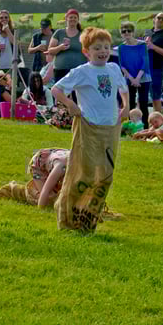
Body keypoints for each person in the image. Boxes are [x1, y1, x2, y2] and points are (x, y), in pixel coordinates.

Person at [51, 27, 128, 232]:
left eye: (106, 47)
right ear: (87, 51)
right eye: (97, 48)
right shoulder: (82, 72)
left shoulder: (113, 68)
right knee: (83, 175)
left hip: (111, 128)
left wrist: (126, 105)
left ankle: (87, 218)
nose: (103, 51)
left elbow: (123, 88)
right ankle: (67, 218)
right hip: (88, 127)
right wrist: (70, 104)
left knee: (105, 176)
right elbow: (56, 89)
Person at [118, 21, 151, 127]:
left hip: (143, 76)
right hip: (129, 77)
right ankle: (131, 125)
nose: (126, 33)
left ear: (133, 32)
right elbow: (122, 65)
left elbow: (145, 62)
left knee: (143, 103)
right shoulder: (121, 48)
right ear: (121, 33)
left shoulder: (142, 45)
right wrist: (132, 79)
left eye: (129, 30)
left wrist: (137, 79)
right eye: (124, 31)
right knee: (130, 103)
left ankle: (145, 126)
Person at [47, 9, 87, 82]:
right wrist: (60, 48)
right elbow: (50, 51)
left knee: (76, 93)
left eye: (75, 17)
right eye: (71, 17)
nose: (73, 19)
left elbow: (89, 51)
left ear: (78, 20)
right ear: (66, 19)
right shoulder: (59, 33)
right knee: (61, 93)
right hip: (61, 71)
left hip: (79, 71)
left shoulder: (83, 34)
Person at [146, 12, 163, 113]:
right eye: (159, 18)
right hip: (143, 69)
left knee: (155, 96)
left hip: (156, 69)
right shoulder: (148, 32)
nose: (160, 20)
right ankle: (142, 120)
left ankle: (159, 121)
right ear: (154, 19)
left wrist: (153, 46)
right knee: (141, 96)